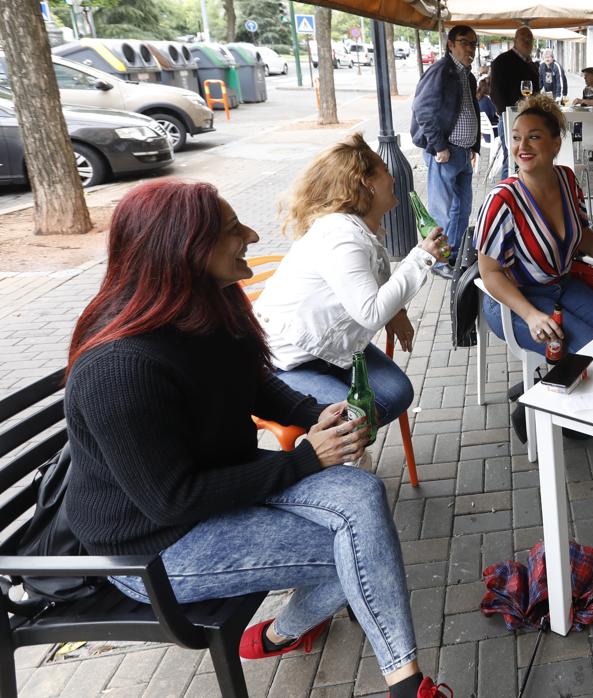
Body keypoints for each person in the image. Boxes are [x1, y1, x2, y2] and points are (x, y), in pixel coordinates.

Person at [62, 179, 453, 698]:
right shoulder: (120, 367)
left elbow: (257, 386)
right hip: (153, 549)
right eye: (231, 230)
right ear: (184, 251)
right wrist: (304, 461)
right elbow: (171, 500)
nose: (249, 233)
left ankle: (278, 634)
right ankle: (405, 686)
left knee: (362, 497)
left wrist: (318, 415)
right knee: (361, 547)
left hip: (214, 494)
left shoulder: (210, 306)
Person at [254, 134, 448, 429]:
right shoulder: (340, 236)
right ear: (365, 183)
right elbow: (371, 311)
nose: (393, 176)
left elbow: (373, 279)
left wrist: (398, 313)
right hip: (287, 362)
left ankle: (349, 437)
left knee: (397, 394)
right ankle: (343, 458)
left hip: (333, 351)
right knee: (356, 418)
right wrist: (421, 258)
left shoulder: (359, 229)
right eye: (384, 169)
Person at [475, 95, 593, 438]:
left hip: (561, 286)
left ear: (554, 143)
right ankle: (536, 412)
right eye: (516, 136)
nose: (522, 145)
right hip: (514, 300)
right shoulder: (501, 200)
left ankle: (544, 386)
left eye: (533, 136)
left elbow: (581, 235)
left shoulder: (566, 180)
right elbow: (489, 273)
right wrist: (531, 314)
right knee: (580, 351)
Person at [411, 24, 480, 276]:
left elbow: (468, 111)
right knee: (441, 210)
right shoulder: (442, 70)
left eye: (474, 43)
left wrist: (473, 145)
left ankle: (455, 254)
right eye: (465, 42)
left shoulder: (467, 75)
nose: (470, 48)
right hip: (445, 153)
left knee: (463, 207)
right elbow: (422, 110)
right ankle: (437, 262)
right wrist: (439, 146)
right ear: (450, 44)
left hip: (462, 152)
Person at [489, 26, 539, 181]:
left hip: (529, 120)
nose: (527, 41)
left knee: (527, 159)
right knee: (511, 160)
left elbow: (535, 92)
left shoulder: (531, 64)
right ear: (514, 40)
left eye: (530, 39)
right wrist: (508, 116)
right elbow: (495, 94)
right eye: (523, 38)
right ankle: (506, 197)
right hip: (510, 120)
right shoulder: (502, 61)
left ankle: (524, 195)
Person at [477, 76, 498, 144]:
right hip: (493, 134)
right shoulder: (488, 100)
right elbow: (497, 113)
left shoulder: (479, 99)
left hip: (486, 135)